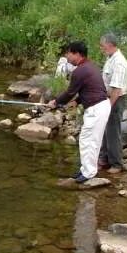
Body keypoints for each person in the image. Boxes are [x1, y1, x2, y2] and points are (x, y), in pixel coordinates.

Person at [46, 41, 110, 184]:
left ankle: (88, 173)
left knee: (89, 140)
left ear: (76, 54)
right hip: (98, 107)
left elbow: (69, 92)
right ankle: (85, 170)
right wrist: (78, 101)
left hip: (97, 109)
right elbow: (90, 89)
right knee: (87, 139)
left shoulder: (80, 71)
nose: (67, 56)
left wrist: (55, 102)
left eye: (68, 53)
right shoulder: (89, 67)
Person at [98, 33, 127, 174]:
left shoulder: (119, 62)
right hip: (108, 98)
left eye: (102, 45)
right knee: (105, 130)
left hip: (115, 100)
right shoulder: (110, 58)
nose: (101, 48)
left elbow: (117, 89)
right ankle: (104, 158)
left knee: (113, 132)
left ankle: (117, 164)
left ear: (110, 45)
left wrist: (109, 105)